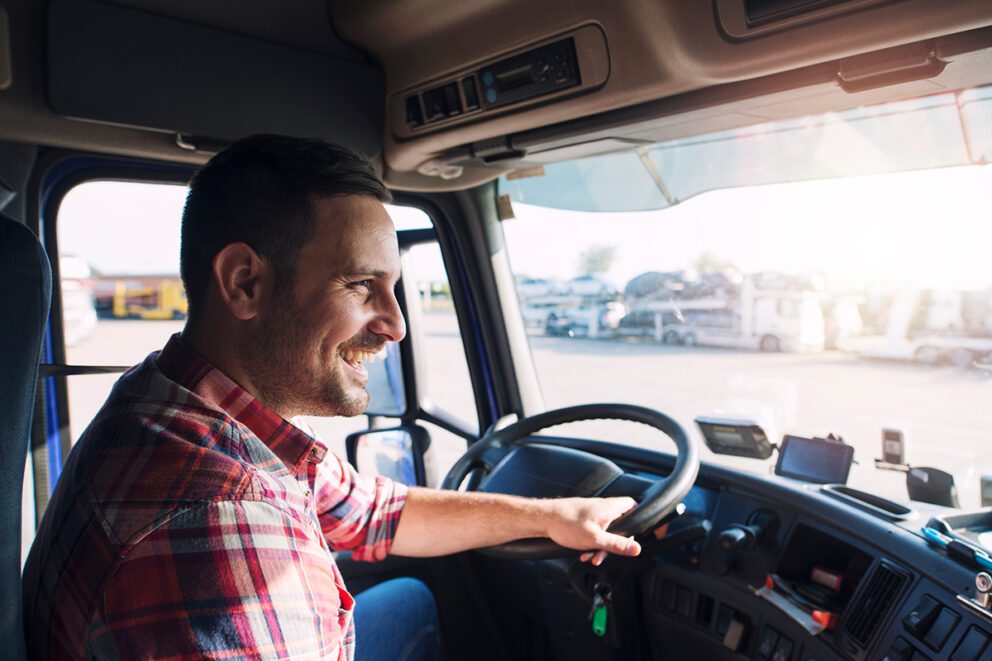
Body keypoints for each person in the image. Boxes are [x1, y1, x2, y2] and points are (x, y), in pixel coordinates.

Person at [22, 135, 641, 660]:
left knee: (411, 600)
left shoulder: (176, 396)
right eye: (361, 285)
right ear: (245, 283)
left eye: (393, 287)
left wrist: (554, 517)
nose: (395, 324)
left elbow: (370, 510)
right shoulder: (225, 524)